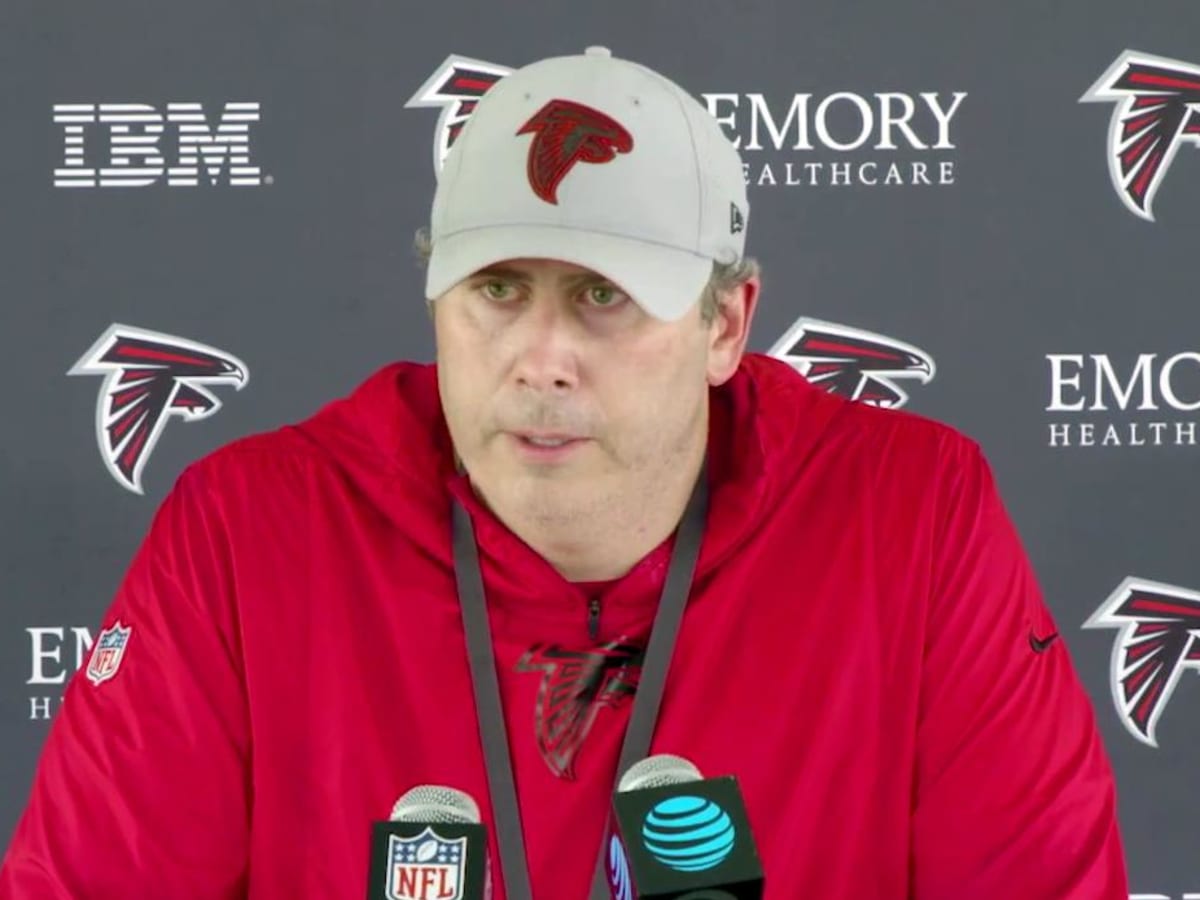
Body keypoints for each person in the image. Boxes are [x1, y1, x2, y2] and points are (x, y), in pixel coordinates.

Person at [0, 45, 1128, 899]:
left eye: (602, 296)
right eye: (497, 291)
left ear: (728, 325)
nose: (541, 359)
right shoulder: (249, 529)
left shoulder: (910, 515)